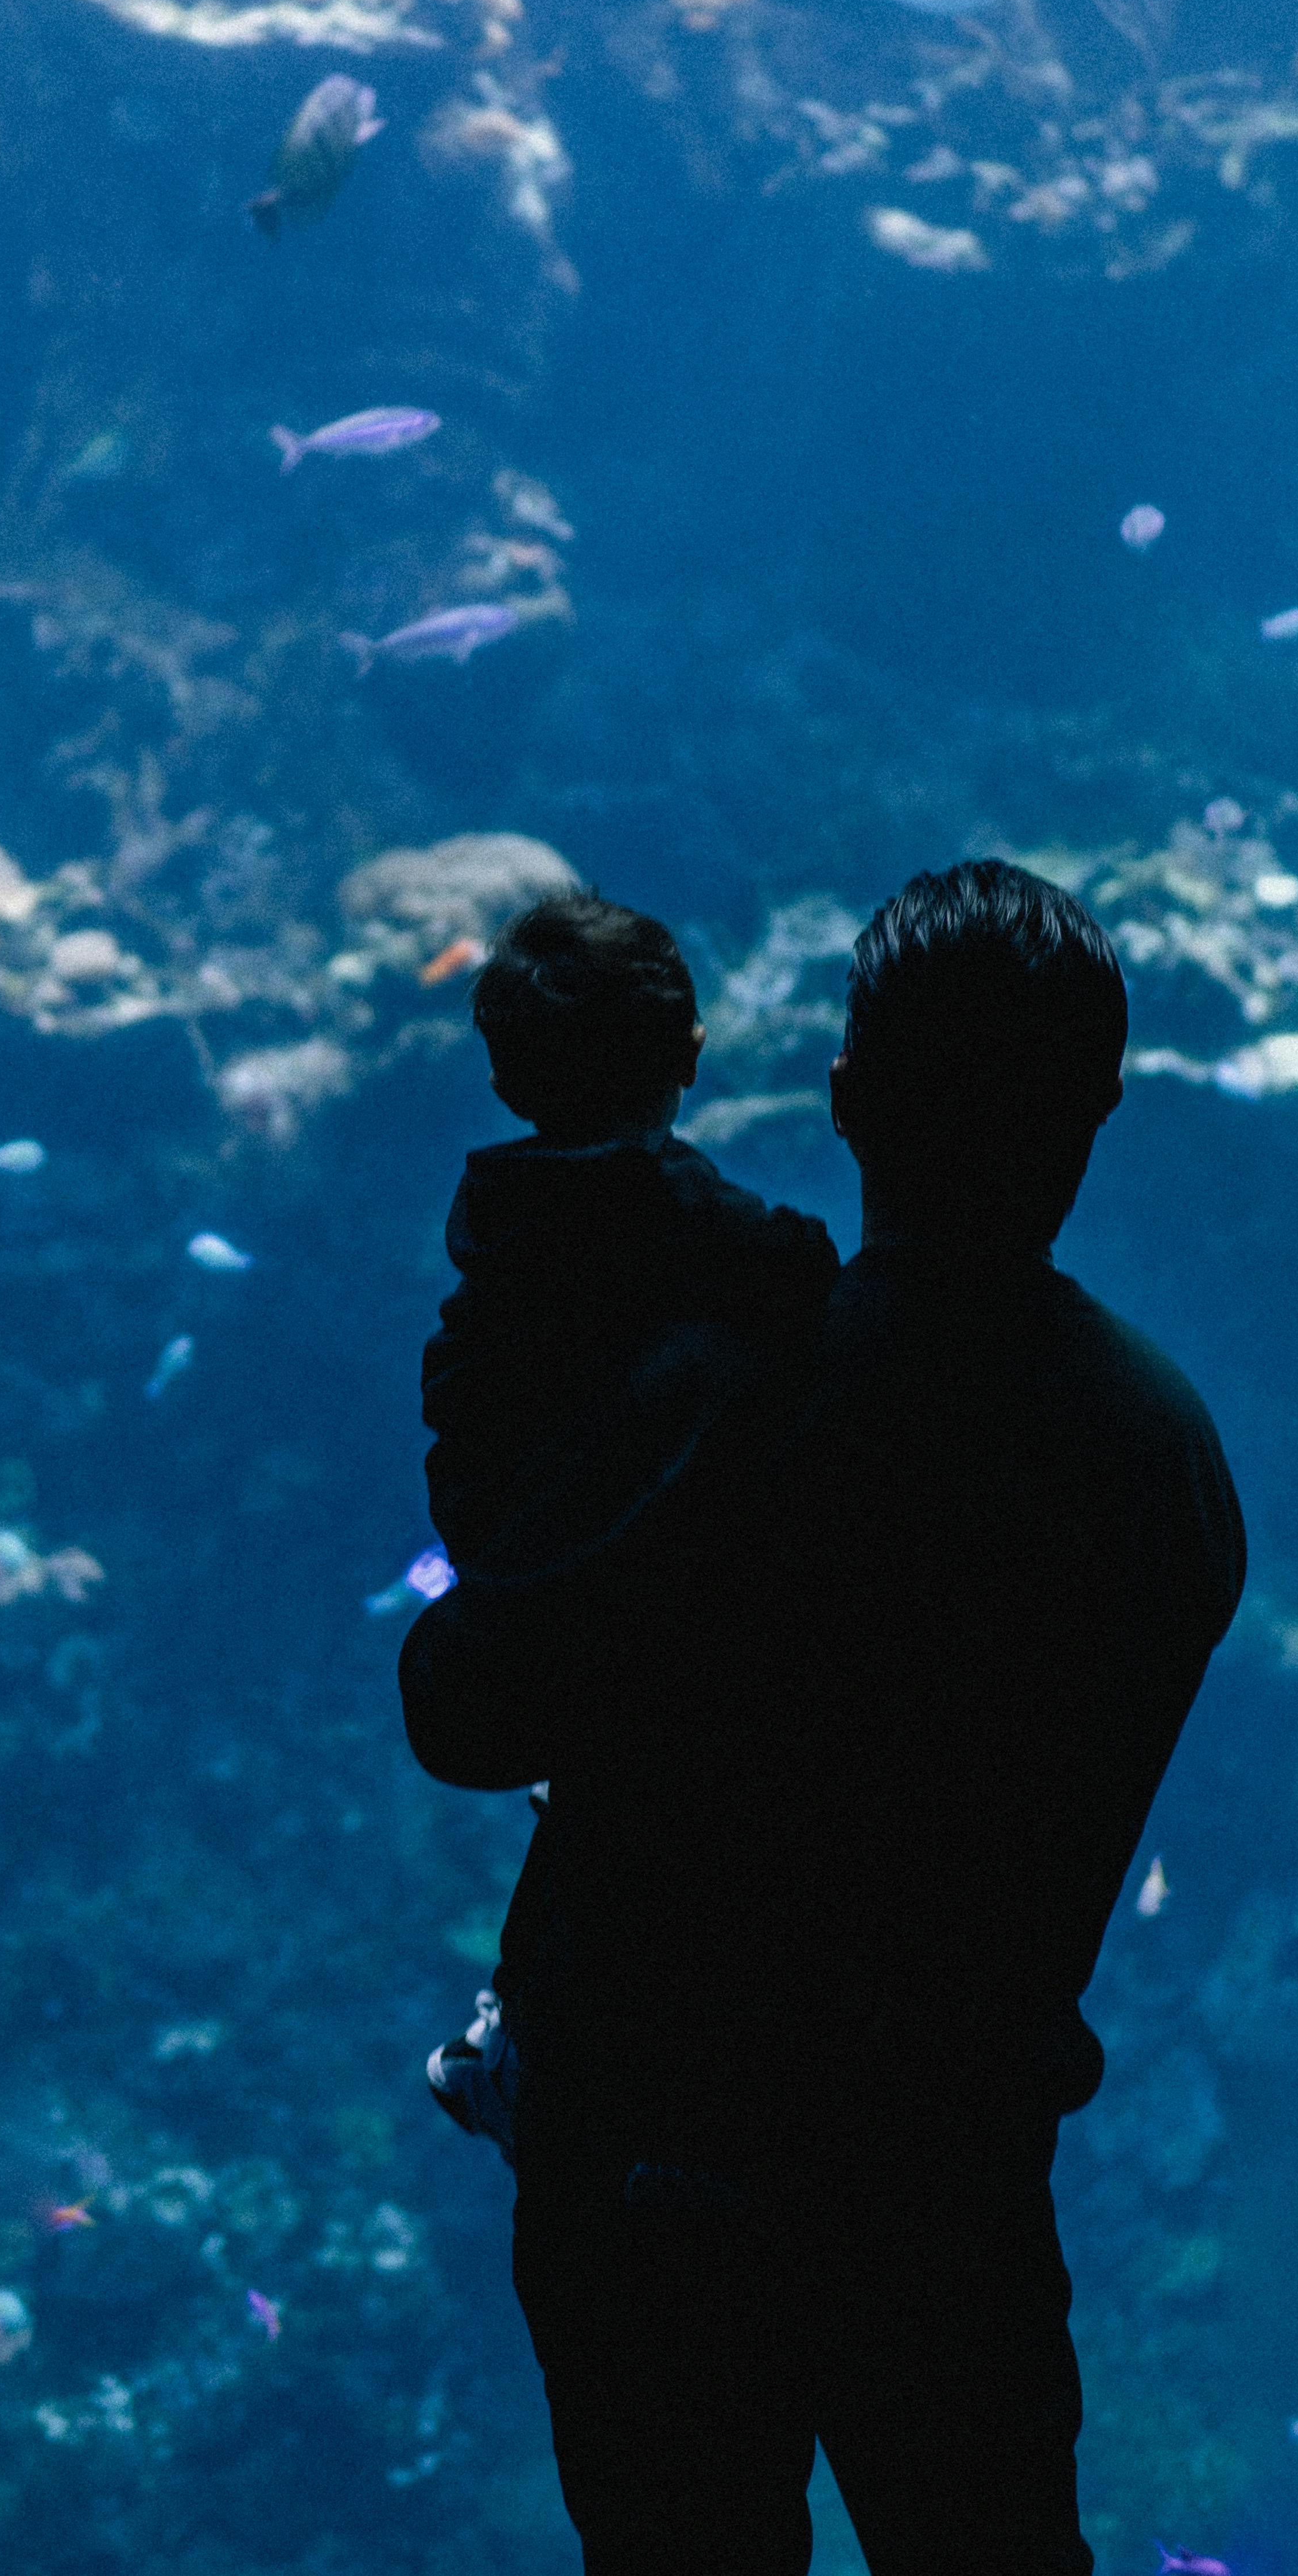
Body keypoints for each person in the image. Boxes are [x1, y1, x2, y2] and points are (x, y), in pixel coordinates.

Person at [401, 858, 1246, 2576]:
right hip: (948, 2190)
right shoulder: (1163, 1456)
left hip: (652, 2179)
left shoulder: (742, 1384)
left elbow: (468, 1706)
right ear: (1098, 1113)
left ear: (847, 1096)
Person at [411, 889, 838, 2150]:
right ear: (691, 1057)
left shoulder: (495, 1244)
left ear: (500, 1076)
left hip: (529, 1623)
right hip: (678, 1641)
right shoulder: (725, 1245)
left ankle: (517, 2039)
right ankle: (557, 2043)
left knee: (577, 1806)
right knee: (625, 1806)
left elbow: (472, 1467)